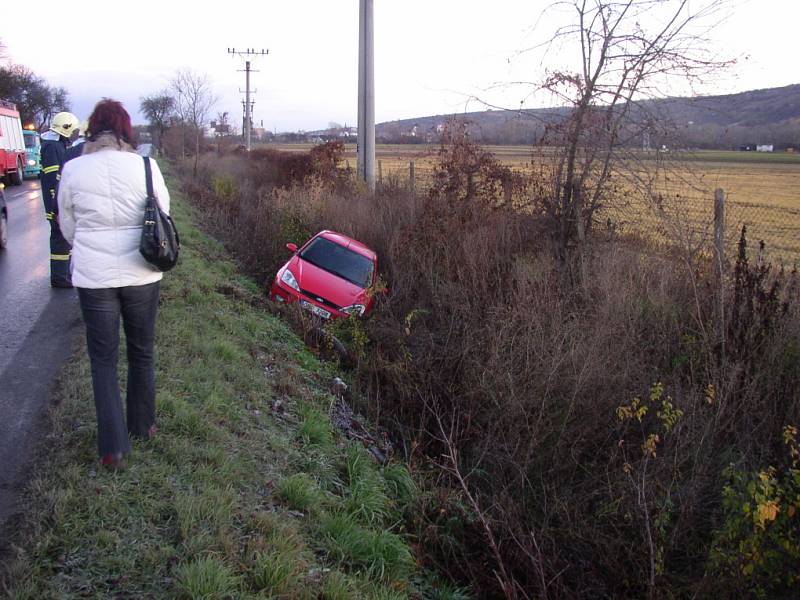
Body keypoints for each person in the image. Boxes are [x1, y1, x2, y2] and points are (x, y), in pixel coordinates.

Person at [58, 99, 171, 469]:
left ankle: (113, 448)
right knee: (142, 350)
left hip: (94, 278)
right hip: (142, 273)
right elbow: (164, 215)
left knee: (103, 361)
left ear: (92, 130)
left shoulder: (73, 169)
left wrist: (89, 247)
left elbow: (67, 224)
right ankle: (143, 425)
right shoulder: (145, 166)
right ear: (126, 130)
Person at [40, 111, 79, 287]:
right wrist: (57, 208)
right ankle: (60, 278)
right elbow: (54, 179)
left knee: (62, 239)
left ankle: (64, 274)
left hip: (55, 203)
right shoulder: (53, 148)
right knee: (59, 239)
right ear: (66, 129)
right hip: (55, 203)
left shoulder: (55, 146)